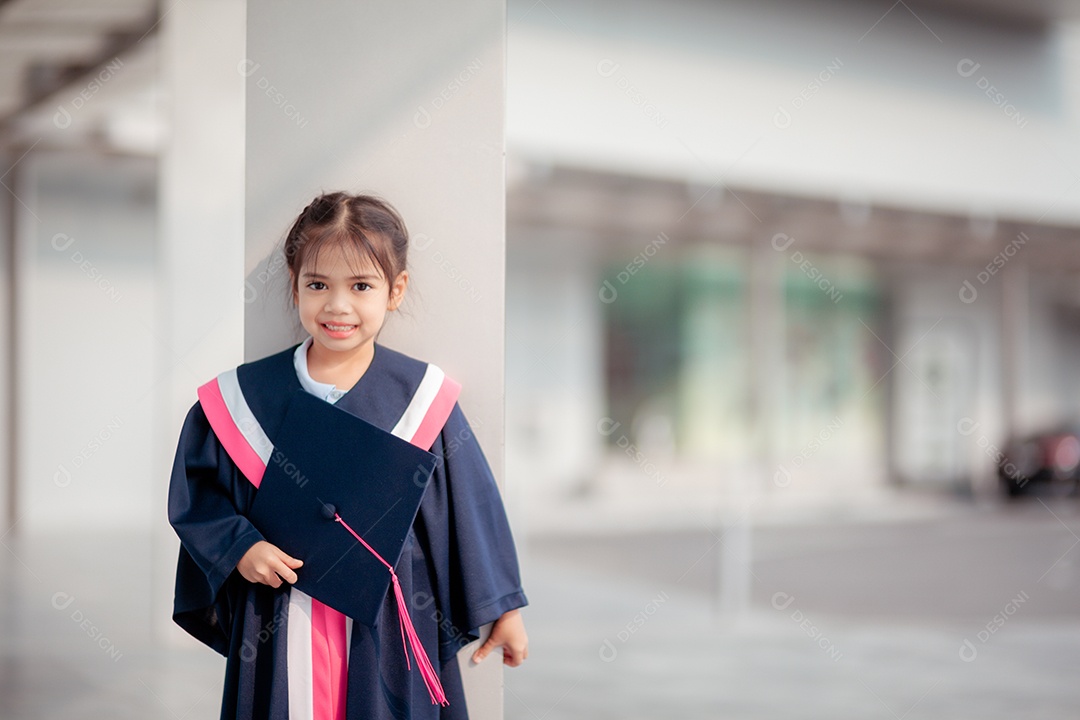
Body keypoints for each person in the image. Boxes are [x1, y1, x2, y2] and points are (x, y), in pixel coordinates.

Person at [167, 192, 528, 720]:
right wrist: (239, 547)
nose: (338, 306)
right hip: (277, 609)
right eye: (318, 285)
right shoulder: (241, 400)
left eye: (361, 286)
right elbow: (199, 497)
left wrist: (503, 608)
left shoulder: (422, 400)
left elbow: (470, 509)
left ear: (395, 290)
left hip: (389, 619)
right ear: (294, 286)